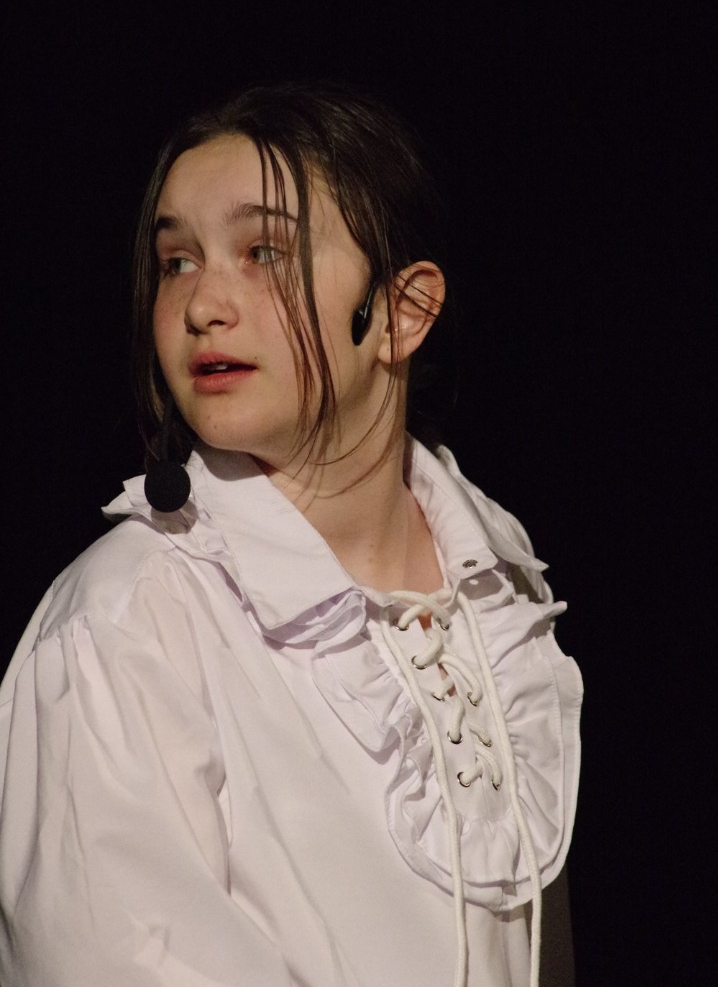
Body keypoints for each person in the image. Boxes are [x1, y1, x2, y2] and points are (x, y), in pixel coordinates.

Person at [0, 82, 582, 987]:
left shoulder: (498, 595)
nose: (203, 304)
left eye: (263, 251)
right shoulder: (124, 625)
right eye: (177, 261)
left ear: (401, 312)